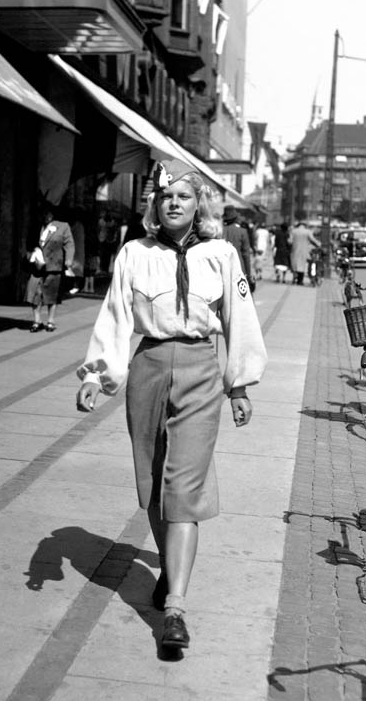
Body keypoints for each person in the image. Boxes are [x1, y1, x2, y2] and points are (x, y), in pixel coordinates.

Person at [75, 158, 267, 651]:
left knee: (183, 486)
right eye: (165, 197)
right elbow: (116, 317)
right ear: (155, 205)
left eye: (183, 195)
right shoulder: (133, 254)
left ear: (198, 203)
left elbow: (240, 317)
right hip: (149, 369)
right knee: (154, 483)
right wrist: (98, 375)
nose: (174, 203)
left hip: (202, 371)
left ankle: (175, 608)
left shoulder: (222, 254)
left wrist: (239, 383)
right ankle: (168, 569)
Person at [25, 203, 74, 332]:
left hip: (54, 266)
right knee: (34, 292)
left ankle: (50, 321)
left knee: (51, 294)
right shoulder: (36, 226)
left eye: (49, 213)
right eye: (44, 213)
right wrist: (31, 254)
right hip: (37, 265)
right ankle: (37, 321)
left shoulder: (63, 226)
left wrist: (69, 259)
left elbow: (69, 244)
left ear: (53, 214)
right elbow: (28, 243)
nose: (46, 216)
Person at [222, 205, 254, 291]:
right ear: (236, 218)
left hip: (222, 268)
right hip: (238, 267)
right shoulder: (242, 232)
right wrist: (248, 275)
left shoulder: (219, 230)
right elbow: (246, 255)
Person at [289, 221, 320, 285]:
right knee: (302, 265)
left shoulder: (293, 231)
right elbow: (312, 240)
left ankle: (294, 277)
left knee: (295, 264)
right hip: (304, 250)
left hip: (295, 250)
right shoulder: (307, 232)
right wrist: (318, 244)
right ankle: (300, 280)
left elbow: (290, 241)